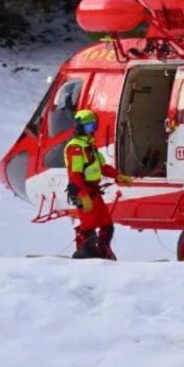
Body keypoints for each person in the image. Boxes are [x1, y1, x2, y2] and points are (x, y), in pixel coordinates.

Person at [64, 109, 131, 259]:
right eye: (89, 126)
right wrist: (83, 195)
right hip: (83, 192)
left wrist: (118, 176)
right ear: (80, 127)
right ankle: (85, 255)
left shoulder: (90, 147)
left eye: (94, 126)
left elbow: (101, 167)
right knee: (89, 229)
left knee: (107, 226)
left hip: (93, 192)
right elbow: (75, 174)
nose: (92, 130)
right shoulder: (75, 148)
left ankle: (102, 253)